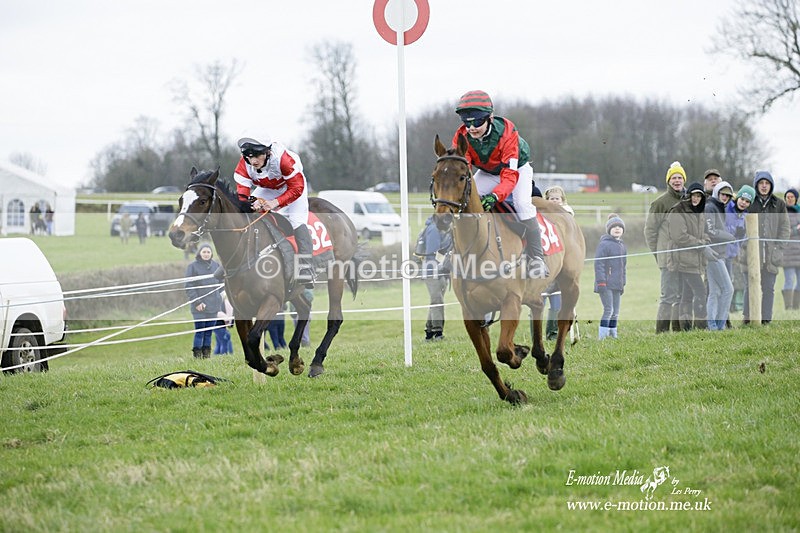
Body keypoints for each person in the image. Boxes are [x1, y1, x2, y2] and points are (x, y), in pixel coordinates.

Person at [452, 90, 548, 278]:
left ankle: (537, 258)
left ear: (490, 117)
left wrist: (495, 196)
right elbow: (464, 168)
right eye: (467, 122)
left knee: (522, 204)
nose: (472, 128)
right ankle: (450, 252)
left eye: (477, 122)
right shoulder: (462, 136)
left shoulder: (507, 132)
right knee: (463, 199)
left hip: (517, 170)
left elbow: (509, 175)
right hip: (488, 172)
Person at [233, 133, 314, 285]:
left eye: (257, 156)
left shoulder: (284, 160)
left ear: (267, 152)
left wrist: (276, 202)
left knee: (297, 222)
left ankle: (306, 269)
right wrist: (250, 204)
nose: (253, 161)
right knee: (245, 215)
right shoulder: (244, 165)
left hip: (292, 187)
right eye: (249, 157)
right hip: (268, 188)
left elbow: (297, 188)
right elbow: (242, 195)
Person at [644, 161, 687, 333]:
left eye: (680, 177)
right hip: (667, 258)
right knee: (668, 297)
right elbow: (650, 231)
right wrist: (659, 254)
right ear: (668, 181)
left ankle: (677, 331)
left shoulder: (689, 200)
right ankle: (661, 332)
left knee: (681, 296)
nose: (677, 181)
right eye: (674, 178)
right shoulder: (660, 203)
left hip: (685, 258)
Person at [744, 171, 791, 324]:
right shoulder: (750, 202)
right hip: (752, 254)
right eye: (761, 183)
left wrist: (779, 248)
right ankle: (748, 318)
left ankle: (766, 320)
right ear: (756, 185)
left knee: (769, 288)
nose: (764, 186)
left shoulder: (779, 204)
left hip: (771, 255)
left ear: (771, 185)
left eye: (767, 183)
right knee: (750, 286)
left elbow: (785, 228)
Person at [667, 182, 708, 330]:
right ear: (688, 195)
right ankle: (701, 326)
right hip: (683, 259)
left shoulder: (700, 212)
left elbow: (704, 234)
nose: (696, 199)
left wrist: (705, 241)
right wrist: (700, 243)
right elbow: (679, 236)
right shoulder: (678, 210)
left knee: (687, 293)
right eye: (693, 195)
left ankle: (686, 328)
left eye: (699, 196)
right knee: (700, 291)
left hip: (695, 259)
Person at [415, 214, 453, 342]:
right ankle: (438, 332)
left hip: (440, 270)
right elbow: (433, 253)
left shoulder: (442, 228)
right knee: (437, 301)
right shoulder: (433, 229)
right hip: (433, 270)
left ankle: (429, 332)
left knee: (436, 300)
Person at [543, 186, 574, 339]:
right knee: (539, 301)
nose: (554, 201)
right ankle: (537, 333)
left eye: (557, 198)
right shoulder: (542, 216)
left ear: (562, 200)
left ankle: (552, 333)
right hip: (546, 261)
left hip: (561, 263)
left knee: (557, 302)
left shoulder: (567, 216)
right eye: (551, 198)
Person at [704, 181, 735, 330]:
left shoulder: (719, 207)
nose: (725, 198)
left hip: (718, 253)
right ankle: (719, 325)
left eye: (728, 196)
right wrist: (729, 236)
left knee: (715, 291)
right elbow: (711, 231)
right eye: (723, 194)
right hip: (714, 255)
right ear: (717, 193)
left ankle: (713, 326)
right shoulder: (710, 207)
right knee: (728, 290)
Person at [185, 243, 223, 358]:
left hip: (214, 305)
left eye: (208, 252)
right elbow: (189, 286)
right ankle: (197, 356)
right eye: (204, 252)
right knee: (200, 331)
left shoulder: (216, 265)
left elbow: (222, 283)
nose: (206, 254)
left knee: (209, 332)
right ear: (199, 253)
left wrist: (220, 296)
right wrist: (197, 302)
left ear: (211, 253)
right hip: (199, 306)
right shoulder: (193, 266)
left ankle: (206, 356)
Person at [594, 214, 627, 339]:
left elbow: (623, 266)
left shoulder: (622, 246)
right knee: (609, 310)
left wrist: (623, 282)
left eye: (619, 227)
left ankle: (613, 335)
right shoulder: (604, 244)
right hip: (605, 284)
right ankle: (602, 336)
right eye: (614, 227)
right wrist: (601, 282)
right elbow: (599, 264)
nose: (617, 229)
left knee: (616, 312)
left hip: (617, 284)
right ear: (609, 229)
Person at [725, 185, 754, 314]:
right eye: (742, 199)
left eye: (747, 201)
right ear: (738, 198)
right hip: (720, 254)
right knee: (723, 287)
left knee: (730, 285)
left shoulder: (745, 216)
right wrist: (734, 232)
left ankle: (726, 317)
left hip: (732, 255)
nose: (744, 203)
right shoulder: (727, 209)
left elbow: (740, 240)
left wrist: (741, 235)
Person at [781, 188, 800, 310]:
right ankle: (788, 307)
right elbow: (783, 232)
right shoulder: (782, 213)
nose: (790, 199)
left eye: (792, 197)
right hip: (787, 253)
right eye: (787, 197)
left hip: (799, 252)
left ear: (796, 199)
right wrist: (796, 230)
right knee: (789, 280)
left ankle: (796, 307)